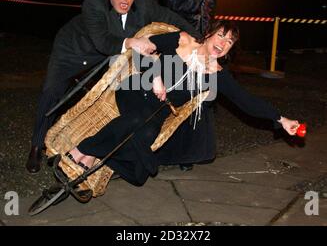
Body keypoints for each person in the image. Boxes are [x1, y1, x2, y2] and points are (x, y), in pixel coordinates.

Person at [65, 20, 300, 186]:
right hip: (138, 89)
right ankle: (82, 149)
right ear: (208, 34)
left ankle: (98, 153)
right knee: (137, 122)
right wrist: (156, 76)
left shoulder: (217, 74)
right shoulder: (183, 41)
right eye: (221, 35)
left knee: (140, 172)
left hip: (158, 111)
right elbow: (143, 48)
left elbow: (247, 101)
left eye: (229, 41)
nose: (223, 42)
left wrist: (281, 119)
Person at [26, 0, 201, 174]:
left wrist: (197, 38)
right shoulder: (93, 3)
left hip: (118, 52)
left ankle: (111, 149)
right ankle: (37, 147)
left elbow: (168, 16)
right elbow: (103, 41)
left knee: (128, 90)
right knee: (52, 90)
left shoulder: (143, 0)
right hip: (76, 50)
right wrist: (132, 42)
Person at [146, 0, 218, 170]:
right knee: (160, 96)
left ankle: (185, 154)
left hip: (191, 43)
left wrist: (203, 51)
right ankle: (152, 148)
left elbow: (206, 19)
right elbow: (146, 2)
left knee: (195, 97)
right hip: (164, 38)